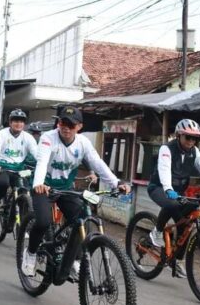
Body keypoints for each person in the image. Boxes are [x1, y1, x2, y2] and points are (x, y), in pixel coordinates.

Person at [22, 105, 130, 277]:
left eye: (71, 125)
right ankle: (31, 253)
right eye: (62, 122)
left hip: (66, 189)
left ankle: (75, 259)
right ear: (58, 123)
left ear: (79, 127)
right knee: (43, 222)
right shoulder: (48, 138)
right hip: (44, 188)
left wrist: (116, 183)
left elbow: (97, 164)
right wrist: (39, 184)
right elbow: (42, 162)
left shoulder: (83, 143)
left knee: (83, 220)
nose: (65, 127)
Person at [147, 119, 200, 278]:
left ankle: (176, 261)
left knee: (187, 224)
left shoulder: (194, 152)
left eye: (195, 139)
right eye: (188, 137)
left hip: (178, 192)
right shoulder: (167, 148)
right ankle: (156, 232)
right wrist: (168, 188)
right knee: (172, 203)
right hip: (159, 188)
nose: (191, 141)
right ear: (179, 135)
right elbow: (164, 169)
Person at [0, 108, 38, 222]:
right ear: (10, 122)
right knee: (2, 183)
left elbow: (36, 153)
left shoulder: (28, 137)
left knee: (25, 192)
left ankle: (23, 225)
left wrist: (43, 165)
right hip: (2, 168)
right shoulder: (1, 134)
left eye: (21, 121)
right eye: (15, 121)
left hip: (19, 170)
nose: (18, 124)